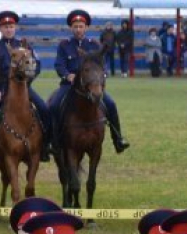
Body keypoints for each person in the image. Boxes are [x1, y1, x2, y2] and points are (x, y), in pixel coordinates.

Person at [49, 10, 130, 154]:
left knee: (111, 104)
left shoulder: (94, 45)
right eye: (75, 26)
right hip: (70, 86)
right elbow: (59, 65)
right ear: (71, 28)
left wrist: (101, 77)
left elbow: (102, 65)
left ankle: (118, 139)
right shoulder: (64, 45)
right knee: (54, 105)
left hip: (92, 85)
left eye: (81, 26)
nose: (78, 29)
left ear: (86, 28)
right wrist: (68, 76)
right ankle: (53, 141)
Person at [0, 11, 51, 166]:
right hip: (1, 90)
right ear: (0, 29)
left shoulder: (24, 46)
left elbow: (36, 65)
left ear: (15, 27)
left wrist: (27, 80)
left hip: (23, 89)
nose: (8, 29)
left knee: (44, 109)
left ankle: (46, 146)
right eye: (5, 26)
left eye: (11, 26)